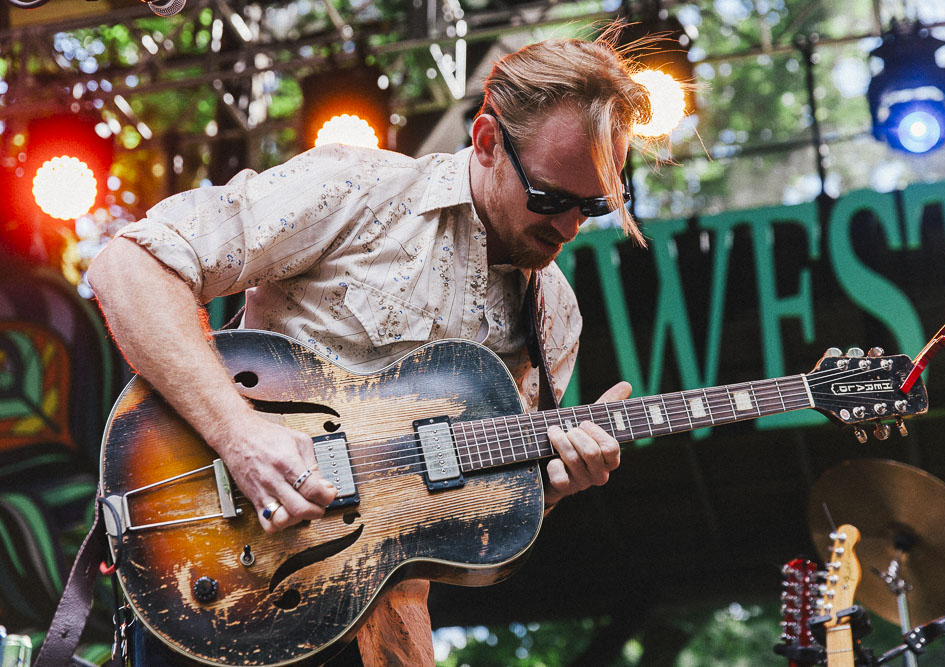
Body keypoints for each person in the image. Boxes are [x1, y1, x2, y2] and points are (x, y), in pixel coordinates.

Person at [88, 25, 653, 666]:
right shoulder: (358, 190)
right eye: (551, 197)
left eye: (595, 205)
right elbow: (128, 267)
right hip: (225, 579)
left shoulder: (556, 316)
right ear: (488, 142)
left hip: (381, 636)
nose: (570, 226)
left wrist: (549, 485)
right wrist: (241, 438)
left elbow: (460, 514)